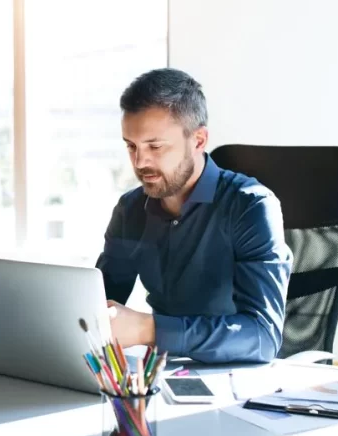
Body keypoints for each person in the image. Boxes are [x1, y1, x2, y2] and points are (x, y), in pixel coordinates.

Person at [97, 68, 293, 364]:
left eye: (155, 146)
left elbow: (263, 337)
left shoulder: (251, 207)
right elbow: (98, 305)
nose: (140, 161)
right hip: (162, 374)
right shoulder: (130, 210)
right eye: (131, 146)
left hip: (240, 378)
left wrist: (149, 328)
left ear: (199, 140)